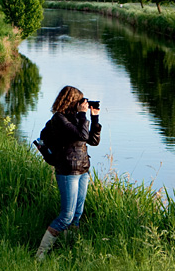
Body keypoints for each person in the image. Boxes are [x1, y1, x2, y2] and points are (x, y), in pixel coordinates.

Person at [34, 85, 101, 261]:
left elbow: (93, 140)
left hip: (83, 170)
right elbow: (81, 134)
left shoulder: (76, 118)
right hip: (67, 171)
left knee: (77, 215)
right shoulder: (60, 119)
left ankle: (67, 250)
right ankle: (40, 254)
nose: (82, 104)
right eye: (79, 101)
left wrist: (95, 118)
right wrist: (82, 115)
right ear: (71, 101)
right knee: (66, 216)